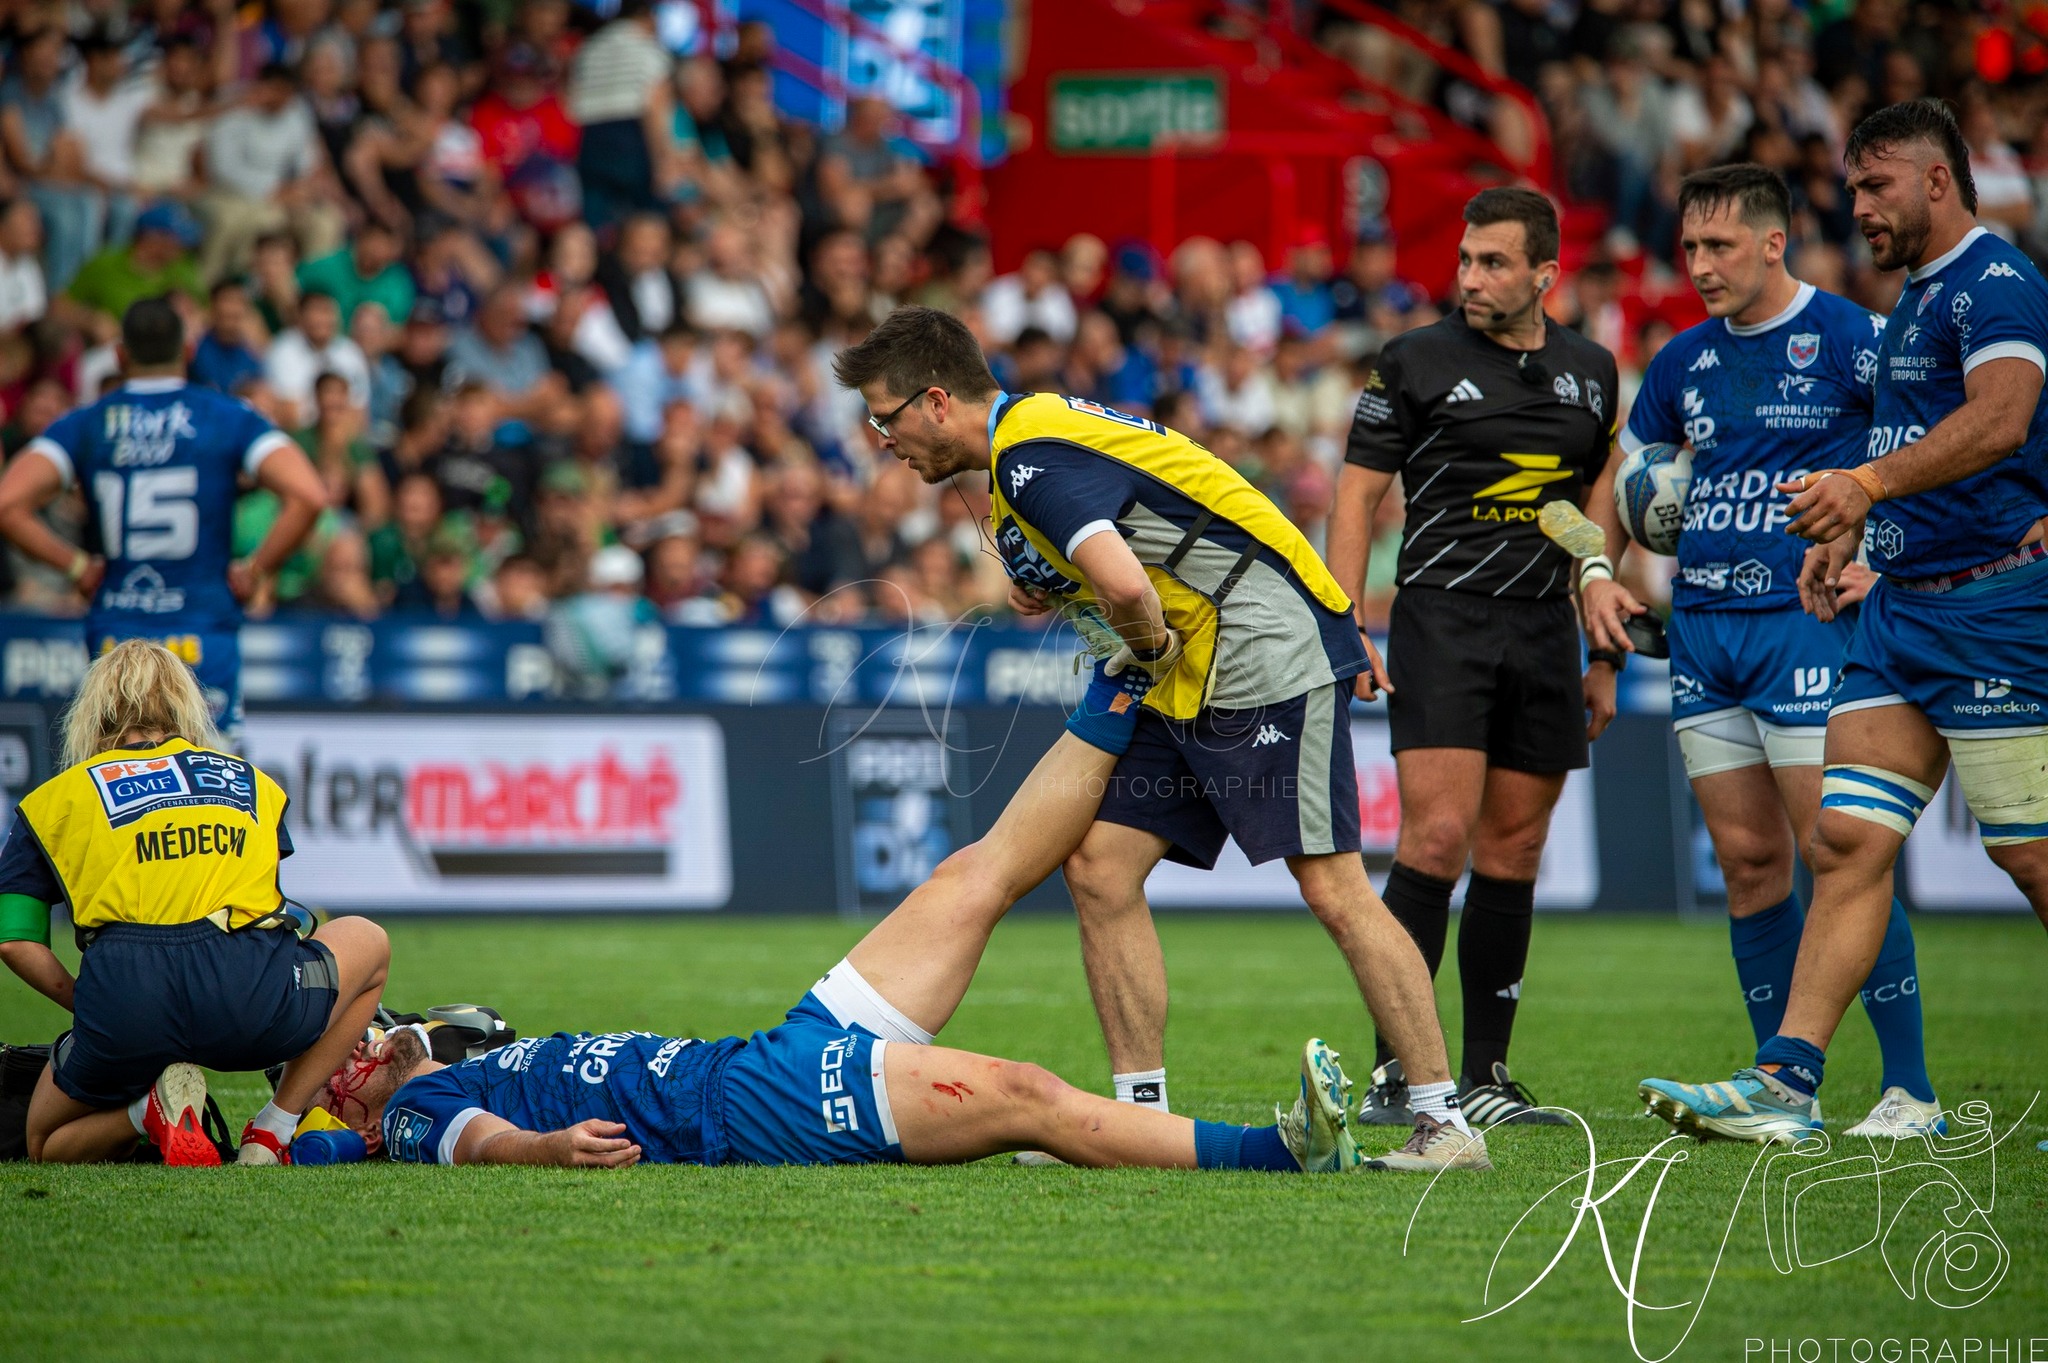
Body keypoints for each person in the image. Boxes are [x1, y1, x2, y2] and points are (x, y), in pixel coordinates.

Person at [833, 306, 1486, 1172]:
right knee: (1100, 868)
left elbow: (1127, 586)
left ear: (937, 399)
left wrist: (1138, 640)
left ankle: (1446, 1124)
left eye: (886, 416)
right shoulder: (1034, 433)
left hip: (1253, 642)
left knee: (1331, 885)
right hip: (1202, 654)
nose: (883, 437)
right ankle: (1132, 1119)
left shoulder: (1026, 458)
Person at [314, 759, 1364, 1175]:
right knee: (1027, 1093)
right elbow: (475, 1142)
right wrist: (543, 1152)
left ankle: (1120, 680)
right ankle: (1281, 1150)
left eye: (366, 1032)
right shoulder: (415, 1112)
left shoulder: (452, 1058)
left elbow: (459, 1054)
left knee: (974, 874)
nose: (367, 1041)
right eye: (350, 1054)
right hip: (758, 1110)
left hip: (767, 1053)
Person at [1641, 100, 2048, 1143]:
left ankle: (1887, 1085)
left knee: (2030, 860)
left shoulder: (1995, 282)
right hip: (1899, 616)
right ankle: (1787, 1080)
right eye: (1851, 184)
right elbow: (1920, 437)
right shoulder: (1912, 299)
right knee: (1844, 840)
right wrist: (1852, 536)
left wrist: (1864, 483)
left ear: (1935, 183)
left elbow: (2000, 419)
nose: (1854, 203)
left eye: (1873, 185)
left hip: (1991, 611)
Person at [1578, 164, 1938, 1138]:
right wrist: (1596, 580)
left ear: (1772, 242)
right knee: (1746, 862)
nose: (1696, 265)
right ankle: (1782, 1094)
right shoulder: (1678, 360)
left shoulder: (1854, 341)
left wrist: (1888, 562)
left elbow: (1931, 451)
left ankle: (1908, 1089)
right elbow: (1625, 482)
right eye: (1688, 247)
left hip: (1802, 625)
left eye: (1718, 246)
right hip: (1699, 628)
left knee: (1838, 852)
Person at [1324, 187, 1619, 1129]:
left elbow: (1594, 511)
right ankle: (1395, 1073)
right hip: (1442, 620)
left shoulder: (1593, 370)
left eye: (1493, 263)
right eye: (1464, 260)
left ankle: (1486, 1077)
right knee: (1436, 842)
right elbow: (1355, 498)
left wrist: (1601, 645)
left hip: (1544, 627)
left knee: (1514, 849)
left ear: (1545, 274)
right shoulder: (1414, 359)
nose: (1471, 278)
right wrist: (1342, 620)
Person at [0, 639, 389, 1165]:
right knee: (369, 940)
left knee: (43, 1144)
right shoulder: (252, 782)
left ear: (93, 714)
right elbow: (266, 904)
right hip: (250, 1003)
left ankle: (147, 1115)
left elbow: (14, 940)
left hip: (126, 1004)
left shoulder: (53, 800)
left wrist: (88, 1006)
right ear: (186, 706)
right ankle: (273, 1131)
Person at [0, 297, 327, 748]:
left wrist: (76, 566)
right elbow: (309, 495)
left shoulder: (85, 424)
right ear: (188, 351)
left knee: (114, 787)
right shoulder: (227, 417)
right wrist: (254, 570)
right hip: (202, 633)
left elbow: (7, 503)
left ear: (120, 355)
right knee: (210, 785)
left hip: (117, 640)